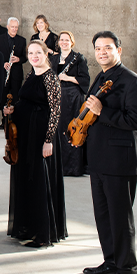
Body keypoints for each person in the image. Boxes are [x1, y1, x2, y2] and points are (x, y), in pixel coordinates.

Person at [81, 31, 137, 274]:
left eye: (107, 48)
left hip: (120, 160)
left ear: (119, 49)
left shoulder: (132, 81)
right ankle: (111, 261)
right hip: (99, 158)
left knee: (120, 217)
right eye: (98, 48)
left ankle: (128, 269)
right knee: (103, 215)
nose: (102, 52)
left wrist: (102, 111)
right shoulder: (101, 76)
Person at [4, 40, 66, 248]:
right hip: (24, 135)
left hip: (40, 136)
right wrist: (13, 110)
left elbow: (56, 112)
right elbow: (26, 101)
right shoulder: (32, 73)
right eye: (30, 53)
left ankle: (43, 233)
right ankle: (28, 227)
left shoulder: (51, 78)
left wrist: (48, 140)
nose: (34, 56)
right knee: (26, 179)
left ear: (46, 54)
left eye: (38, 52)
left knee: (39, 181)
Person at [49, 31, 90, 176]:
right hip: (57, 98)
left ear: (71, 42)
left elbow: (85, 80)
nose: (64, 42)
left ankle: (73, 167)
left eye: (67, 40)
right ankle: (57, 166)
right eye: (62, 40)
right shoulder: (53, 59)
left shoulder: (78, 58)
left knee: (71, 131)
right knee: (57, 131)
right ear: (58, 42)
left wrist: (67, 77)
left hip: (73, 99)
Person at [0, 17, 28, 124]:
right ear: (8, 27)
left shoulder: (22, 40)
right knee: (3, 96)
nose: (14, 29)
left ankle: (14, 120)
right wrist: (2, 63)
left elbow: (25, 57)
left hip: (16, 74)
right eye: (12, 27)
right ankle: (4, 121)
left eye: (16, 27)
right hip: (4, 73)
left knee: (16, 97)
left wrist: (18, 59)